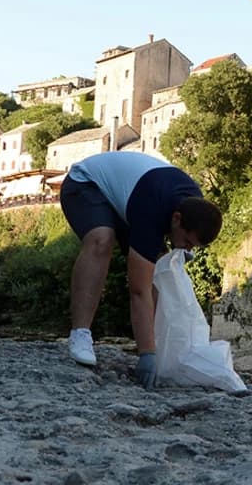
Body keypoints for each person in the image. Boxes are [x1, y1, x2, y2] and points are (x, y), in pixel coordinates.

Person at [60, 151, 223, 388]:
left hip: (131, 198)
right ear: (176, 219)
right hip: (86, 184)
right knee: (101, 239)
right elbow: (138, 290)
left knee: (159, 266)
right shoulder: (153, 209)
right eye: (187, 242)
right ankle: (80, 333)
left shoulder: (194, 206)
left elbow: (157, 272)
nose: (188, 249)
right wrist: (148, 355)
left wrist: (158, 351)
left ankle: (156, 344)